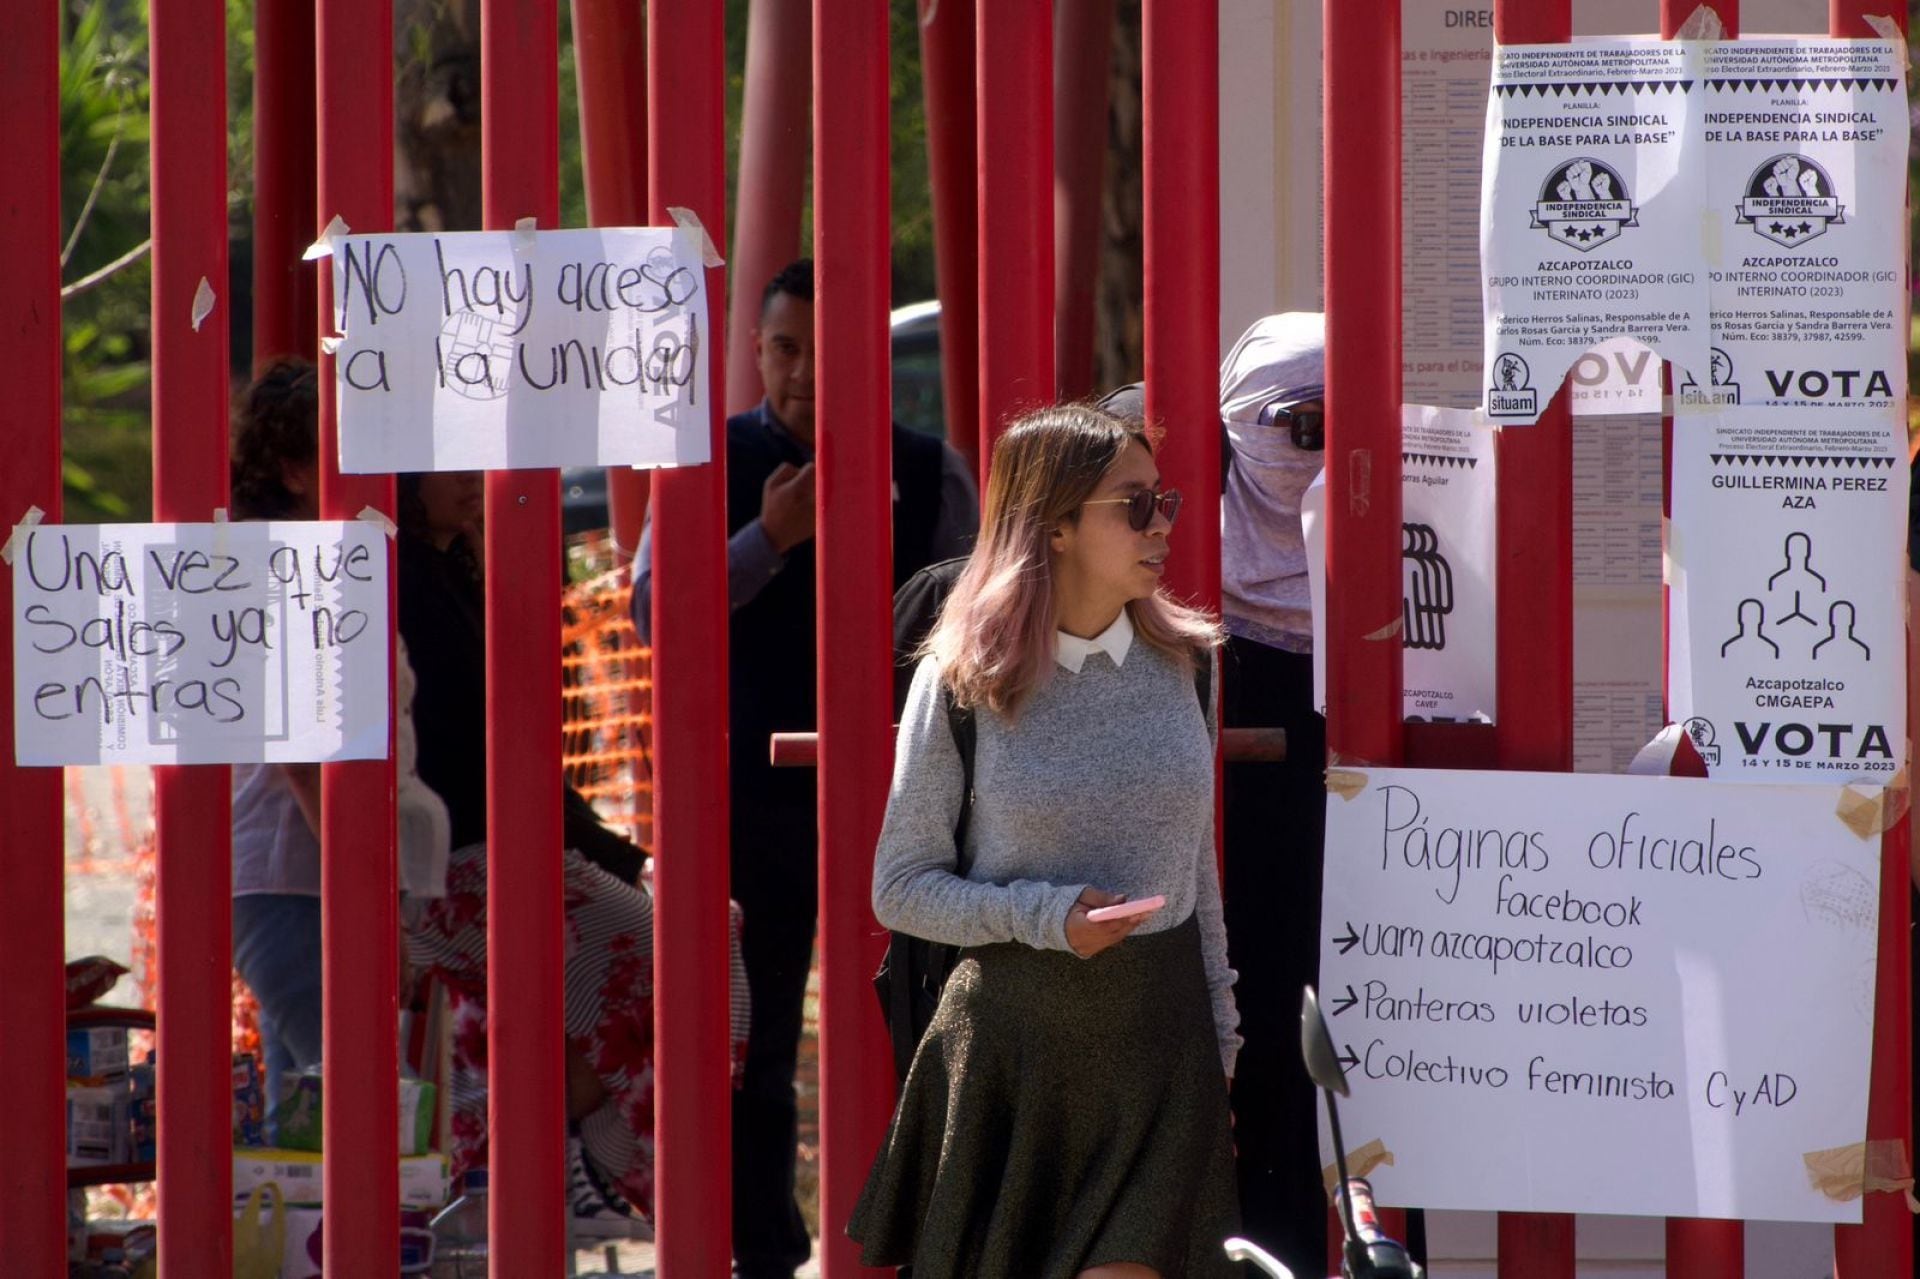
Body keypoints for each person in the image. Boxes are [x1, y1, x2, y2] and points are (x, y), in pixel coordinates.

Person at [631, 257, 980, 1277]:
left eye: (823, 354)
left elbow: (975, 625)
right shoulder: (702, 459)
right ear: (756, 350)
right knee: (756, 1045)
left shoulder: (932, 468)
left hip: (902, 795)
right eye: (782, 349)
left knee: (920, 1026)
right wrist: (769, 537)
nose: (798, 374)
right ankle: (767, 1251)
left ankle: (926, 1236)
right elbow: (655, 617)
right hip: (751, 799)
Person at [847, 404, 1240, 1279]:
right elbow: (901, 886)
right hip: (1013, 1053)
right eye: (1133, 505)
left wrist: (1224, 1036)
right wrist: (1047, 917)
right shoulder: (962, 677)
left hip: (1161, 1045)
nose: (1163, 523)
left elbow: (1195, 865)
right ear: (1054, 525)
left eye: (1164, 499)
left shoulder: (1192, 661)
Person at [394, 470, 751, 1238]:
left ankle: (571, 1158)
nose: (472, 483)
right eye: (451, 466)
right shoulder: (403, 580)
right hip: (454, 860)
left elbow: (527, 756)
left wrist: (628, 857)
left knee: (694, 934)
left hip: (508, 846)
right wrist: (627, 860)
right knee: (688, 939)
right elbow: (489, 751)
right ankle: (584, 1158)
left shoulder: (458, 568)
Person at [227, 358, 451, 1100]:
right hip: (303, 877)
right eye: (351, 454)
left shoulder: (326, 565)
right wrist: (369, 886)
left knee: (313, 1114)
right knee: (366, 1094)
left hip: (305, 873)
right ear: (295, 469)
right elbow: (299, 754)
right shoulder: (294, 573)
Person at [1216, 312, 1335, 1277]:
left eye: (1346, 426)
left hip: (1369, 871)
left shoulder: (1398, 538)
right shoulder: (1169, 561)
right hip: (1232, 867)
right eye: (1300, 424)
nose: (1320, 453)